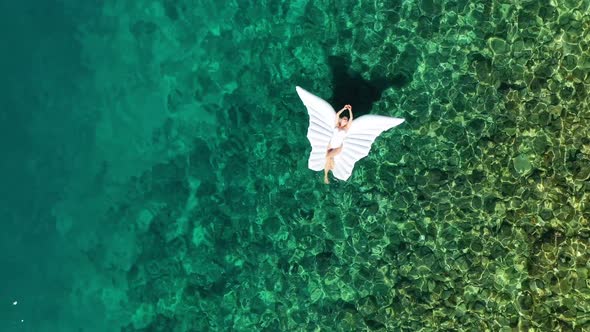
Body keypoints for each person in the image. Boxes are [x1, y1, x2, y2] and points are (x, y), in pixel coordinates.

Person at [324, 104, 352, 184]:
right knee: (328, 159)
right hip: (330, 146)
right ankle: (330, 170)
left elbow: (351, 119)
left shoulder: (346, 128)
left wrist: (349, 110)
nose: (345, 120)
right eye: (344, 119)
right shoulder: (336, 125)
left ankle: (325, 176)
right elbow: (337, 115)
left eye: (346, 120)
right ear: (341, 120)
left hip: (338, 147)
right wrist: (344, 108)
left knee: (327, 156)